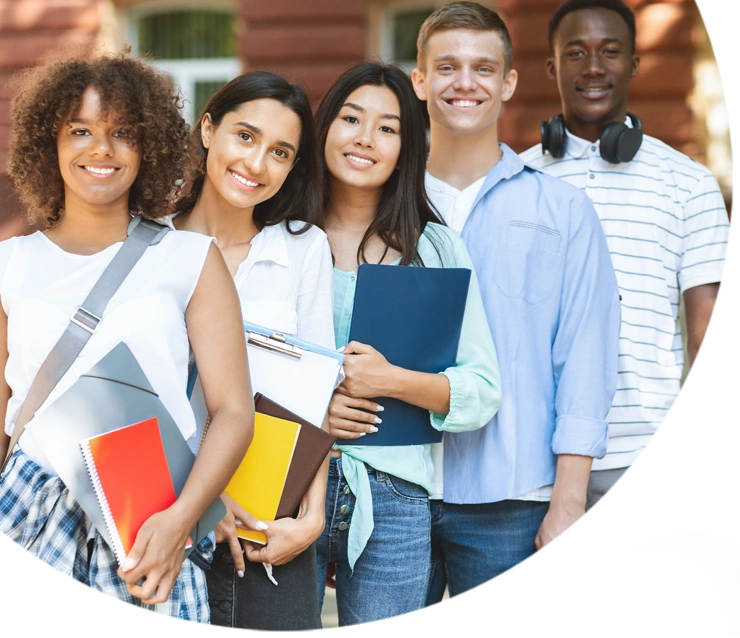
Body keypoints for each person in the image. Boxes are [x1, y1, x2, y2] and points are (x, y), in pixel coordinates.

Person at [0, 51, 253, 629]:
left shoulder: (190, 259)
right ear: (50, 144)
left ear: (150, 147)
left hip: (149, 521)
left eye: (121, 133)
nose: (101, 150)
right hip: (27, 514)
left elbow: (234, 410)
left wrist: (183, 517)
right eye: (80, 131)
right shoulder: (8, 264)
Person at [409, 1, 621, 613]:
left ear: (508, 83)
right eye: (446, 67)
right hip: (396, 492)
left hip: (517, 498)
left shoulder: (565, 212)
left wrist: (568, 506)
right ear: (420, 81)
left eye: (483, 68)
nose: (464, 83)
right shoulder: (378, 205)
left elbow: (584, 359)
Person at [519, 0, 733, 516]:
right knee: (525, 602)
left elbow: (713, 336)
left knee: (634, 601)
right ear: (552, 67)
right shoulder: (515, 182)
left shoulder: (688, 182)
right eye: (576, 53)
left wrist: (717, 460)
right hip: (528, 460)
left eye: (611, 51)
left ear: (634, 63)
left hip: (647, 458)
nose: (594, 67)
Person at [313, 61, 502, 636]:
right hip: (288, 480)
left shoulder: (434, 247)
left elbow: (481, 391)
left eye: (388, 128)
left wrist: (390, 380)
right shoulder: (282, 234)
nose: (365, 138)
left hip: (393, 495)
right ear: (325, 127)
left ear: (406, 148)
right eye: (351, 118)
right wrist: (315, 404)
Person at [171, 72, 332, 636]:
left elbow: (315, 394)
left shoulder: (303, 247)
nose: (257, 163)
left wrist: (311, 518)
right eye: (245, 136)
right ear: (208, 129)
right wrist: (201, 502)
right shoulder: (147, 241)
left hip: (269, 516)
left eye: (280, 152)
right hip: (165, 507)